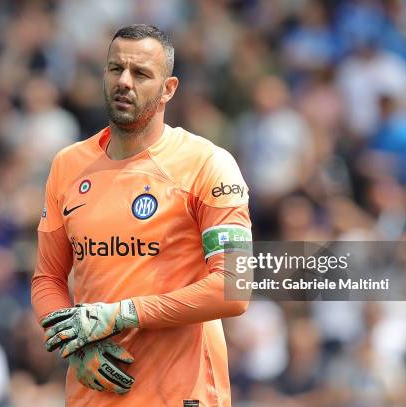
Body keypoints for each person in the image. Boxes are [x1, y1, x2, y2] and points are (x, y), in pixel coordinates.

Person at [31, 24, 252, 406]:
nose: (124, 82)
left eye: (141, 73)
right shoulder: (68, 165)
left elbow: (234, 289)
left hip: (181, 395)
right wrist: (72, 344)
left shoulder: (208, 165)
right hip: (93, 394)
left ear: (169, 88)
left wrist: (122, 314)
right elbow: (47, 278)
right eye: (115, 69)